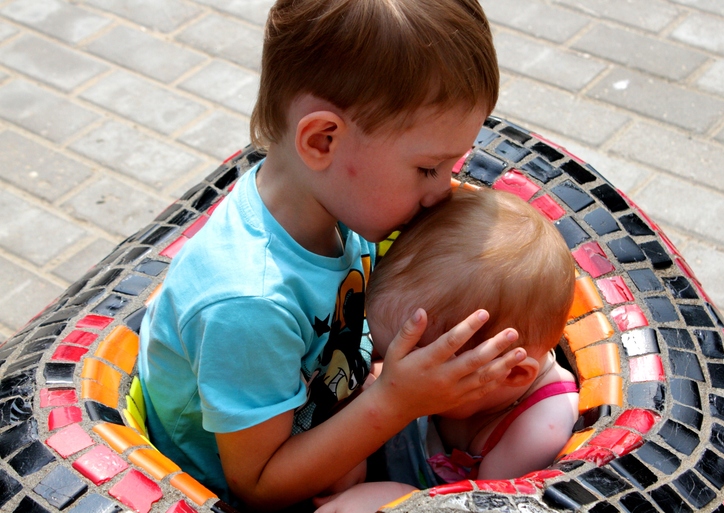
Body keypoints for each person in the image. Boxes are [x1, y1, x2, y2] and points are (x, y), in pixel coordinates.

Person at [137, 1, 522, 510]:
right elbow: (259, 486)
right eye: (428, 168)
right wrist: (396, 401)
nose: (443, 189)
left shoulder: (337, 204)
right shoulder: (249, 302)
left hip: (339, 420)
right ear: (322, 140)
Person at [315, 188, 579, 513]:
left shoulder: (536, 433)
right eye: (388, 352)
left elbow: (477, 508)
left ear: (511, 373)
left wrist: (395, 498)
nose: (396, 367)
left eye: (412, 360)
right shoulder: (480, 382)